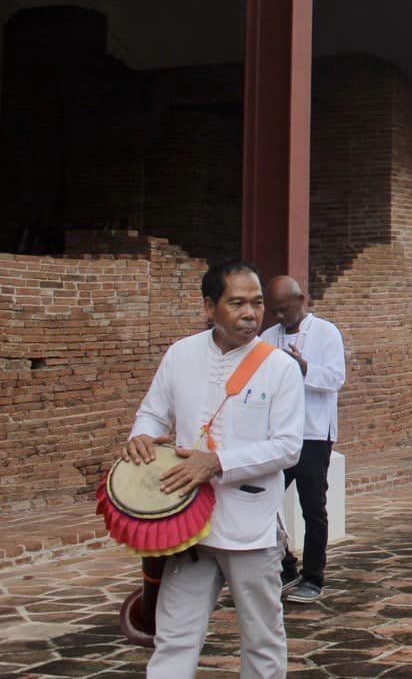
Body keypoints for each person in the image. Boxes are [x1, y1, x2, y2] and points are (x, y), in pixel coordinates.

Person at [127, 259, 304, 676]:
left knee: (262, 638)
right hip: (185, 523)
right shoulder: (181, 354)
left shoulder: (280, 367)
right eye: (237, 303)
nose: (250, 314)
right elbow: (152, 414)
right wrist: (141, 436)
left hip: (249, 525)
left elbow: (287, 447)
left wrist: (218, 462)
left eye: (257, 303)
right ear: (210, 307)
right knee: (174, 635)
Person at [262, 275, 346, 605]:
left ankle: (314, 577)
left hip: (313, 433)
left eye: (284, 310)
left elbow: (336, 378)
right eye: (274, 312)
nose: (280, 317)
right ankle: (286, 565)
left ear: (302, 300)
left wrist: (304, 366)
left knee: (313, 507)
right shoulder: (267, 338)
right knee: (260, 500)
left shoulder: (326, 332)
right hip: (277, 434)